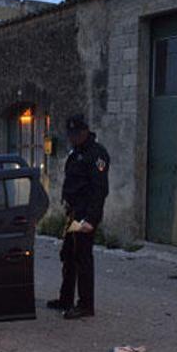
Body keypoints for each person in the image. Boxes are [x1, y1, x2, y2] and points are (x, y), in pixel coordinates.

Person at [47, 114, 110, 320]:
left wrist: (91, 219)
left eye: (76, 133)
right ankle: (65, 298)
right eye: (70, 134)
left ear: (85, 132)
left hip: (84, 214)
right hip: (73, 212)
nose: (72, 137)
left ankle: (85, 305)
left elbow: (99, 190)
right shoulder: (76, 153)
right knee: (68, 255)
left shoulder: (96, 154)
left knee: (83, 258)